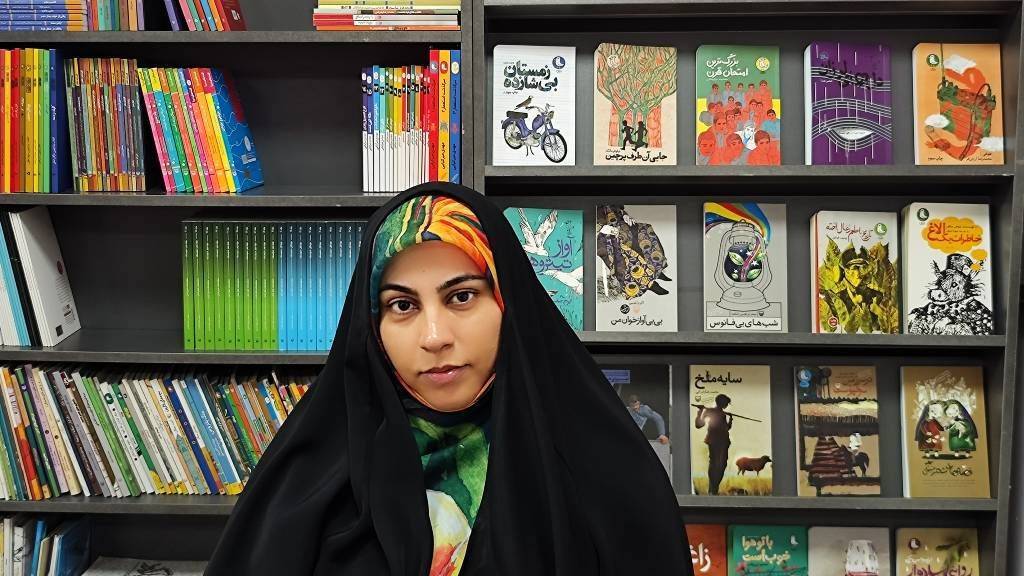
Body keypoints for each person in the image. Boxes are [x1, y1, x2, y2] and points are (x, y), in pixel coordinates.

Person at [205, 182, 693, 575]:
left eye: (462, 297)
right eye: (402, 305)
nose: (435, 337)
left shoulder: (608, 475)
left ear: (508, 303)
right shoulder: (306, 482)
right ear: (371, 326)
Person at [695, 394, 733, 495]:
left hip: (724, 442)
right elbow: (699, 425)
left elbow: (726, 428)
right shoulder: (709, 411)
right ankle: (713, 489)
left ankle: (714, 488)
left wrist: (730, 420)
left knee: (722, 464)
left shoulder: (723, 414)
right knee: (714, 463)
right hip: (714, 441)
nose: (727, 405)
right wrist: (700, 412)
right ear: (721, 402)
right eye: (726, 403)